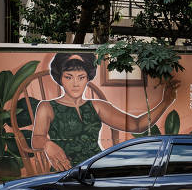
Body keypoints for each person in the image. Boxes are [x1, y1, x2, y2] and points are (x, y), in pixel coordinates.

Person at [31, 52, 178, 171]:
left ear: (88, 78)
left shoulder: (97, 106)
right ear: (60, 79)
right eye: (68, 77)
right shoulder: (47, 106)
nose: (75, 83)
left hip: (94, 168)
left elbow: (137, 125)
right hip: (65, 172)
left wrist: (165, 102)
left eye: (81, 77)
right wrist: (46, 144)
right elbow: (36, 139)